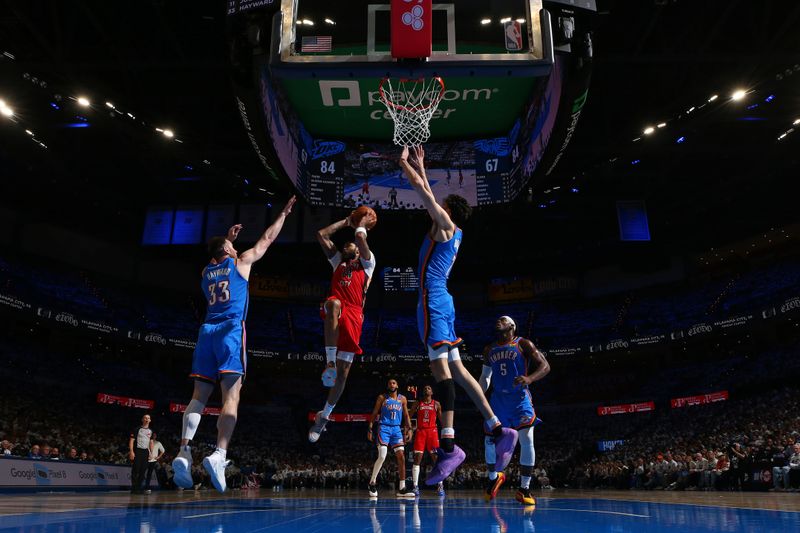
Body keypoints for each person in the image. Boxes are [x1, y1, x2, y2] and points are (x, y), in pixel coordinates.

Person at [399, 145, 516, 485]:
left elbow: (423, 194)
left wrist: (406, 165)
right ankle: (497, 428)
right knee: (462, 372)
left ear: (447, 210)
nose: (436, 207)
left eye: (441, 205)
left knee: (442, 374)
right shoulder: (455, 231)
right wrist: (422, 164)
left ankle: (449, 447)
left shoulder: (445, 223)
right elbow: (430, 196)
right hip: (444, 301)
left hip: (433, 301)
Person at [172, 196, 296, 493]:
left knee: (199, 395)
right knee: (232, 394)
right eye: (231, 246)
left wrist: (224, 241)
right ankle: (219, 453)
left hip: (206, 332)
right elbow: (266, 239)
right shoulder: (241, 263)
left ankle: (184, 451)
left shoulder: (205, 273)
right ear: (228, 251)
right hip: (229, 330)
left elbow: (213, 261)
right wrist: (284, 214)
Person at [308, 210, 377, 443]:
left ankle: (324, 416)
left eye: (353, 244)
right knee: (333, 302)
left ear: (358, 251)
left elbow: (360, 239)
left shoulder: (367, 263)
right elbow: (320, 234)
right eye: (346, 244)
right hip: (339, 307)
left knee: (343, 375)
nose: (348, 244)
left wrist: (361, 226)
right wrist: (346, 222)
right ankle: (329, 360)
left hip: (355, 314)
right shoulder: (337, 260)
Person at [479, 316, 550, 505]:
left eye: (503, 320)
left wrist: (530, 378)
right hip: (498, 400)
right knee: (489, 440)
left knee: (527, 439)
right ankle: (494, 478)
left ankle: (524, 489)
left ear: (512, 326)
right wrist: (478, 393)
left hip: (519, 399)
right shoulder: (489, 349)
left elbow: (545, 366)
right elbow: (486, 377)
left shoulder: (523, 343)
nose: (498, 321)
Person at [367, 379, 415, 498]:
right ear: (387, 386)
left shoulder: (402, 399)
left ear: (397, 385)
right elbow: (374, 413)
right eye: (389, 383)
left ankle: (402, 488)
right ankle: (372, 482)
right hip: (384, 428)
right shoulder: (382, 398)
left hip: (397, 429)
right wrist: (370, 428)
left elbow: (406, 415)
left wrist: (409, 429)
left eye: (393, 383)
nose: (391, 384)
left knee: (402, 458)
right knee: (382, 455)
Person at [408, 385, 444, 496]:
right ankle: (415, 486)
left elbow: (441, 420)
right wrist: (409, 429)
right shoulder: (417, 403)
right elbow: (408, 416)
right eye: (425, 388)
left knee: (436, 459)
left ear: (432, 392)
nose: (426, 389)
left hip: (432, 432)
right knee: (417, 458)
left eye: (429, 388)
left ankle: (440, 485)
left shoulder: (436, 404)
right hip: (420, 432)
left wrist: (446, 433)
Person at [129, 413, 154, 494]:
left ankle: (139, 488)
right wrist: (131, 451)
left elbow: (151, 443)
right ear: (142, 419)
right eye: (145, 418)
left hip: (146, 452)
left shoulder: (151, 431)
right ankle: (134, 488)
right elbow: (131, 441)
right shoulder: (137, 429)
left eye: (148, 418)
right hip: (138, 451)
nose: (147, 419)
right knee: (135, 470)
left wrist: (151, 453)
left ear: (150, 420)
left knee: (143, 472)